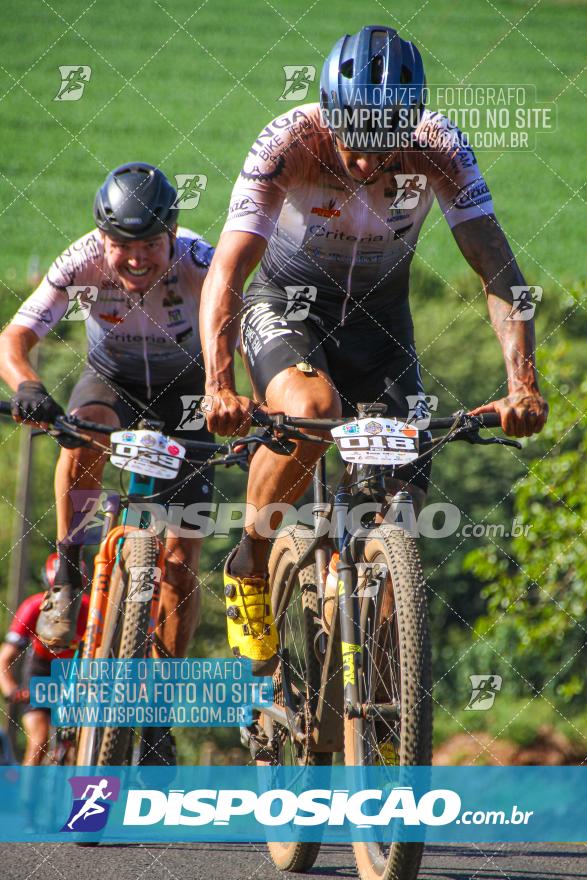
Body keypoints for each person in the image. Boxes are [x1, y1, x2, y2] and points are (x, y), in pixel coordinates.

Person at [199, 26, 548, 674]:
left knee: (403, 518)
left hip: (381, 327)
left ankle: (385, 715)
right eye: (353, 145)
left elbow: (499, 268)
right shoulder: (287, 145)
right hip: (285, 309)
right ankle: (248, 556)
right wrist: (219, 384)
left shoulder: (438, 148)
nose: (364, 165)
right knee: (313, 406)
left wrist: (522, 381)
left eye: (383, 147)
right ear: (327, 117)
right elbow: (226, 274)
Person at [0, 163, 216, 762]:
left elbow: (243, 328)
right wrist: (25, 385)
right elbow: (13, 337)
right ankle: (69, 570)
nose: (137, 259)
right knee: (85, 430)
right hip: (112, 379)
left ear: (172, 232)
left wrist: (235, 394)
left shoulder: (203, 260)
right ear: (104, 239)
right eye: (124, 246)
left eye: (150, 243)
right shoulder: (81, 261)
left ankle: (157, 713)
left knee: (180, 562)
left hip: (189, 392)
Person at [0, 554, 89, 765]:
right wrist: (11, 689)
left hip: (75, 672)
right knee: (39, 740)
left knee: (80, 747)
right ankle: (24, 797)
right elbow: (5, 657)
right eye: (56, 594)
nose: (63, 605)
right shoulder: (33, 607)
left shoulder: (90, 609)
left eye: (72, 597)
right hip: (41, 670)